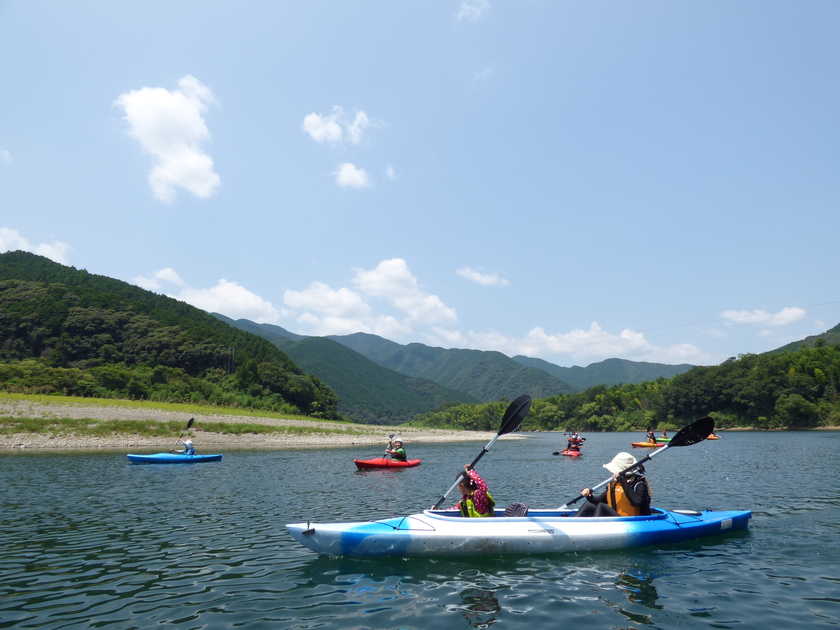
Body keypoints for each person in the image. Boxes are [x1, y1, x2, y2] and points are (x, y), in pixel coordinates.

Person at [575, 452, 651, 517]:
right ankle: (572, 525)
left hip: (631, 521)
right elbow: (600, 500)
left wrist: (622, 480)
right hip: (616, 519)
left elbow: (637, 502)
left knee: (602, 507)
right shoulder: (615, 484)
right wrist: (589, 495)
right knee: (588, 505)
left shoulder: (639, 485)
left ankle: (593, 529)